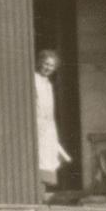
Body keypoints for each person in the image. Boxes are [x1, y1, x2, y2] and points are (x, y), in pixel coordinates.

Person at [34, 50, 74, 196]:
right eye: (46, 63)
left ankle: (43, 194)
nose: (48, 68)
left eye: (51, 66)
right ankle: (37, 195)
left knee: (48, 158)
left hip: (48, 126)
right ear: (39, 62)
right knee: (38, 159)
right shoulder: (33, 79)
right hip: (37, 124)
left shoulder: (48, 83)